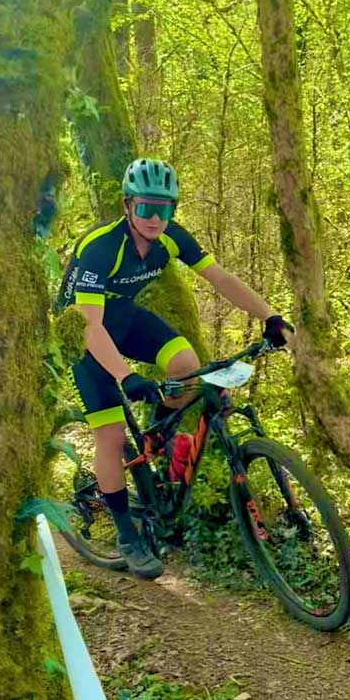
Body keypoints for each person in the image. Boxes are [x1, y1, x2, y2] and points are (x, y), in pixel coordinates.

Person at [58, 158, 292, 579]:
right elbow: (89, 325)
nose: (154, 217)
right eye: (146, 207)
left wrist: (270, 316)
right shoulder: (101, 247)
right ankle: (128, 537)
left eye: (164, 209)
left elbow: (221, 279)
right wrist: (126, 376)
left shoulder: (170, 237)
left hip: (123, 316)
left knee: (186, 364)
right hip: (81, 332)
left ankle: (157, 440)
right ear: (127, 205)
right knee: (110, 435)